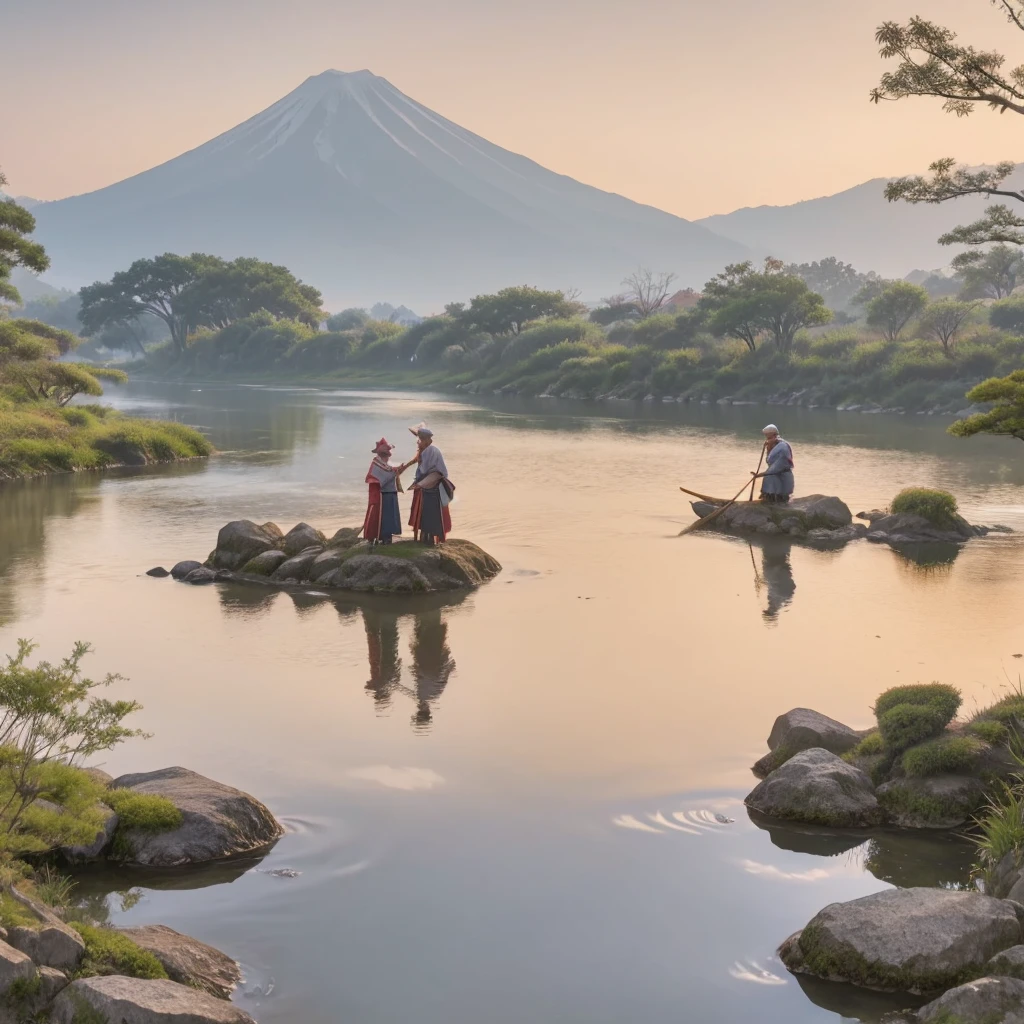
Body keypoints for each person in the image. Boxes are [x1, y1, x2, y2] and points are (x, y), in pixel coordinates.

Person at [407, 423, 453, 544]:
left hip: (431, 488)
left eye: (420, 439)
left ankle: (428, 539)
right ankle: (427, 538)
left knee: (429, 515)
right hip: (430, 487)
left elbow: (425, 470)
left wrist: (420, 483)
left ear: (425, 440)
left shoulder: (430, 451)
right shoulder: (428, 450)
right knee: (428, 515)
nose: (418, 442)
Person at [362, 438, 411, 544]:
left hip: (390, 493)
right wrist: (395, 472)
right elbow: (382, 479)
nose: (389, 455)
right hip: (383, 495)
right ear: (384, 454)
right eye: (388, 453)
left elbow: (389, 472)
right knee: (385, 518)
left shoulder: (383, 464)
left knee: (389, 517)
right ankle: (383, 537)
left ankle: (386, 537)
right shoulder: (376, 463)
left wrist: (398, 470)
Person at [753, 424, 794, 504]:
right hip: (774, 477)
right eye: (767, 438)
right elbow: (770, 463)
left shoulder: (782, 447)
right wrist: (768, 449)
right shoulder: (773, 446)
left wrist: (759, 475)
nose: (767, 440)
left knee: (770, 479)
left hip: (783, 479)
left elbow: (775, 468)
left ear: (775, 435)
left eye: (769, 438)